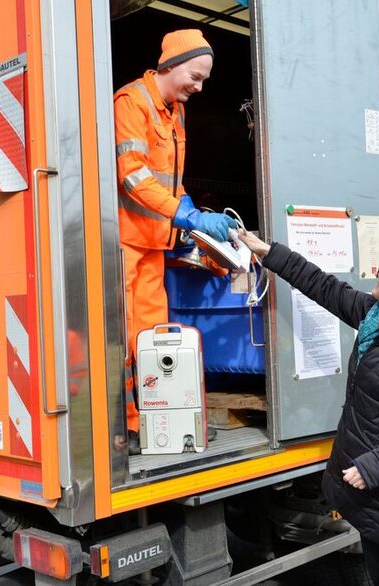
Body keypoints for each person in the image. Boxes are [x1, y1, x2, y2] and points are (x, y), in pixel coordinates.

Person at [238, 230, 379, 585]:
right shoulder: (377, 318)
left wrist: (372, 468)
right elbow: (322, 286)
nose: (377, 273)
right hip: (371, 493)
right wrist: (268, 251)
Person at [114, 29, 237, 450]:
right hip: (126, 242)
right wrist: (183, 213)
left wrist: (197, 221)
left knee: (150, 337)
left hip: (154, 242)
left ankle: (155, 420)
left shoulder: (174, 111)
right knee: (125, 337)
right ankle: (127, 426)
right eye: (195, 76)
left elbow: (173, 182)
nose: (198, 87)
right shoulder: (131, 103)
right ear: (173, 63)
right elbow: (132, 175)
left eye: (203, 80)